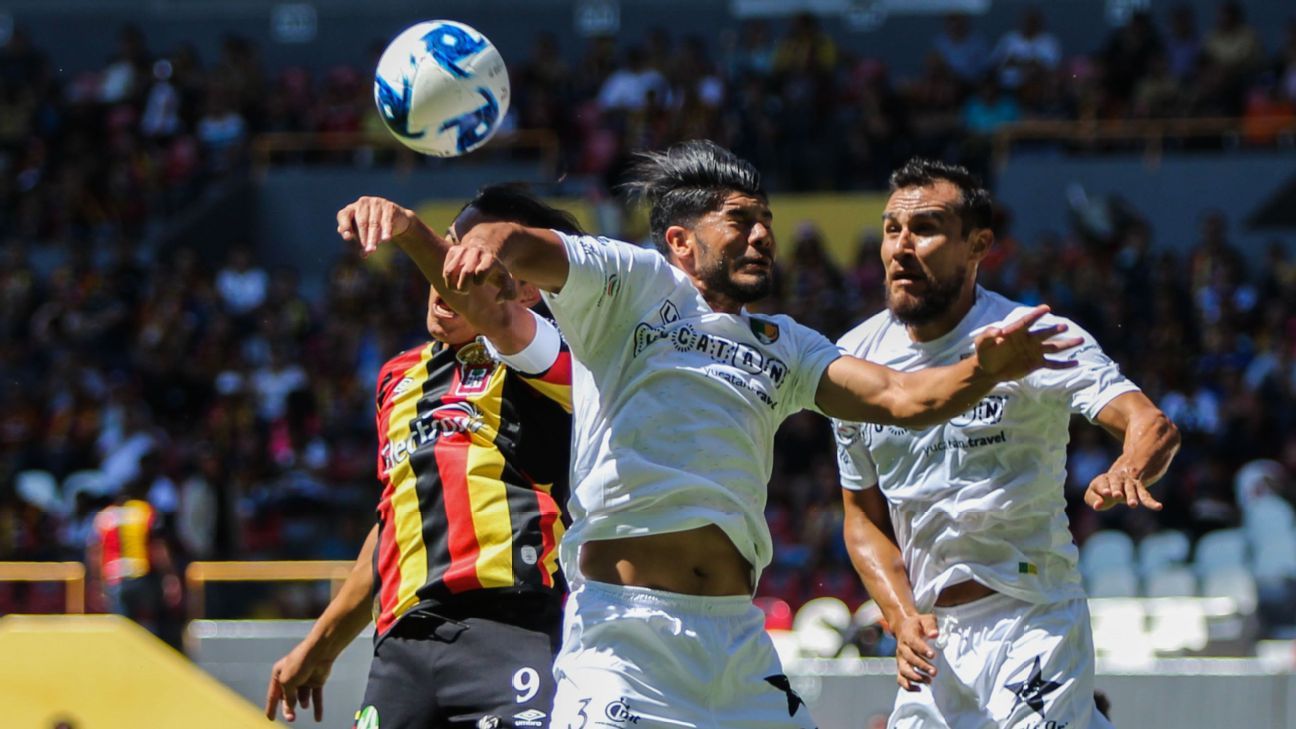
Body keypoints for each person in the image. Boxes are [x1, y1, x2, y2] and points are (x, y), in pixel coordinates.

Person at [437, 140, 1081, 729]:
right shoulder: (630, 286)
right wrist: (486, 243)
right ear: (681, 241)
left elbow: (902, 397)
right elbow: (520, 239)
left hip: (736, 645)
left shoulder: (785, 345)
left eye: (766, 220)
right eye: (741, 221)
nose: (763, 235)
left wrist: (984, 370)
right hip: (626, 641)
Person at [832, 158, 1180, 729]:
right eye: (893, 229)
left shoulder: (1032, 337)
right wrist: (899, 614)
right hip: (933, 644)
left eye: (925, 228)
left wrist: (1129, 466)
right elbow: (862, 516)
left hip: (1032, 618)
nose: (901, 247)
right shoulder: (854, 361)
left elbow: (1151, 423)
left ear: (978, 245)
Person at [264, 186, 580, 729]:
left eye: (469, 254)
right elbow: (394, 521)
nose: (446, 268)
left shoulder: (551, 360)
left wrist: (410, 230)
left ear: (526, 289)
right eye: (445, 244)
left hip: (513, 628)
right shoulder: (398, 377)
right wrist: (320, 644)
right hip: (402, 646)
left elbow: (502, 320)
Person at [85, 455, 183, 637]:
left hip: (115, 578)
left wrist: (96, 582)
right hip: (142, 576)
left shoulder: (104, 517)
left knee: (121, 630)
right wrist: (170, 575)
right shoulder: (145, 511)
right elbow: (158, 548)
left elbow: (95, 552)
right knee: (148, 626)